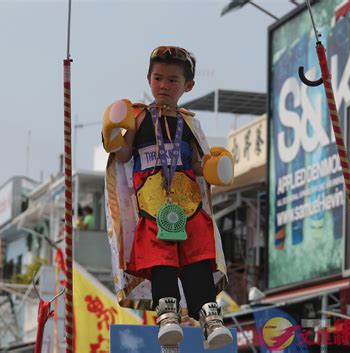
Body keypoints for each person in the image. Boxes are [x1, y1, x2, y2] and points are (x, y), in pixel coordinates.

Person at [102, 46, 234, 349]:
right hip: (152, 206)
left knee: (198, 260)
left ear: (188, 86)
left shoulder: (189, 122)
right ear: (148, 79)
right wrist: (112, 135)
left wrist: (215, 168)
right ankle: (168, 317)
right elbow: (123, 155)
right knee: (162, 262)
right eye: (158, 78)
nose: (164, 85)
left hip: (190, 205)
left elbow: (199, 165)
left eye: (173, 80)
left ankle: (210, 320)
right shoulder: (136, 117)